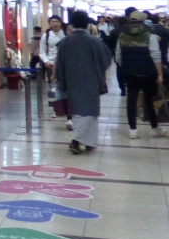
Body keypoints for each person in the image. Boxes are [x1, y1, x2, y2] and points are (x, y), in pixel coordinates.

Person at [54, 10, 112, 154]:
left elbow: (59, 64)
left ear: (72, 24)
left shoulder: (64, 42)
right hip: (92, 80)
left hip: (71, 80)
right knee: (91, 111)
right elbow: (106, 60)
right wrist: (98, 73)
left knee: (77, 111)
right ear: (87, 24)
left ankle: (83, 141)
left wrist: (61, 81)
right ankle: (82, 141)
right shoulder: (95, 41)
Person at [115, 11, 166, 139]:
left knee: (131, 100)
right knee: (148, 100)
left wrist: (126, 68)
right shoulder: (150, 35)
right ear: (143, 21)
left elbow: (118, 56)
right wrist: (160, 74)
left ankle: (133, 130)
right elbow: (156, 55)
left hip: (130, 74)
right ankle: (154, 128)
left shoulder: (122, 35)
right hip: (148, 73)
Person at [41, 16, 67, 121]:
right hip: (51, 65)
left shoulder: (65, 34)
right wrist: (46, 61)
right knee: (53, 88)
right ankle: (55, 109)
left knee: (66, 87)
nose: (55, 23)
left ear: (60, 23)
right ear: (49, 24)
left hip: (65, 64)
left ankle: (68, 108)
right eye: (52, 22)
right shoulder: (46, 36)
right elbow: (42, 51)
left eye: (57, 21)